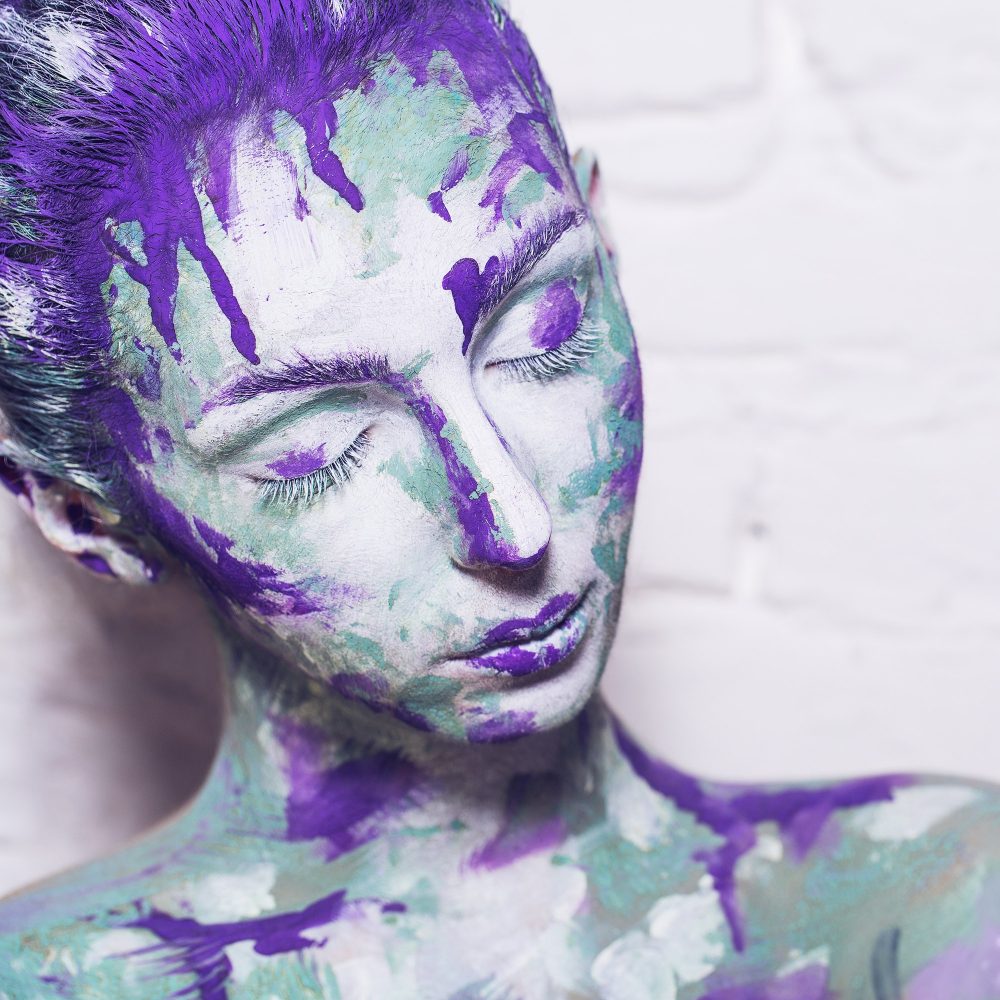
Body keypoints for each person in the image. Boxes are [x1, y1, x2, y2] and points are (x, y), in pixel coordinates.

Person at [0, 1, 996, 997]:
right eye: (315, 455)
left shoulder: (928, 903)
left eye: (545, 326)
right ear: (88, 516)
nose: (514, 525)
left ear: (603, 237)